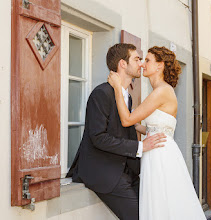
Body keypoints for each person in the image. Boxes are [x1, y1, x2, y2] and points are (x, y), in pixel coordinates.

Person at [67, 43, 167, 220]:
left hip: (127, 171)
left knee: (153, 211)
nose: (141, 64)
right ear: (122, 63)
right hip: (104, 172)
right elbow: (98, 137)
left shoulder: (126, 96)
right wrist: (140, 146)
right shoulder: (101, 93)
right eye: (136, 59)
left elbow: (125, 128)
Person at [108, 46, 207, 220]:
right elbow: (148, 128)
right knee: (160, 204)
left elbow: (127, 119)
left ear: (160, 66)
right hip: (157, 150)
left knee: (162, 204)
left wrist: (117, 87)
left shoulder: (161, 91)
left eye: (147, 60)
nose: (142, 64)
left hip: (161, 155)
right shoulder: (161, 90)